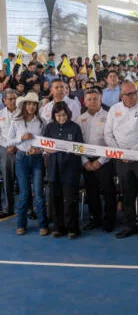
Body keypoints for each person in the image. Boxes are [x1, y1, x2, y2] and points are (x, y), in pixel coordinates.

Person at [104, 81, 138, 242]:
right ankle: (130, 226)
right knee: (126, 195)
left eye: (135, 92)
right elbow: (108, 134)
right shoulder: (114, 110)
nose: (133, 96)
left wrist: (132, 153)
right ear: (122, 95)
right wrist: (120, 153)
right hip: (121, 159)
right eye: (129, 94)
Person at [42, 102, 84, 239]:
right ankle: (58, 227)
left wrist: (75, 150)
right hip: (53, 167)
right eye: (58, 115)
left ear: (68, 114)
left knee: (71, 199)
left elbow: (80, 148)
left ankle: (72, 228)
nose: (61, 118)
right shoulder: (49, 127)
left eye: (64, 115)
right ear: (54, 115)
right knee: (55, 198)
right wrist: (49, 149)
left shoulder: (75, 127)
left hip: (71, 167)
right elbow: (44, 147)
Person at [9, 92, 48, 235]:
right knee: (24, 193)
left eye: (34, 104)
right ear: (24, 105)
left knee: (38, 193)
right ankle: (21, 224)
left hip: (37, 159)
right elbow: (9, 141)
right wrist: (21, 138)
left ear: (37, 106)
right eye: (29, 104)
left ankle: (43, 224)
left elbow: (46, 143)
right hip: (22, 157)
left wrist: (40, 151)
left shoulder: (42, 122)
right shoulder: (16, 120)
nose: (31, 106)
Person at [78, 88, 116, 233]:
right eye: (89, 99)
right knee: (91, 192)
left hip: (105, 160)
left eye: (95, 99)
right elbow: (77, 144)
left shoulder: (109, 116)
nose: (93, 101)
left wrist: (101, 161)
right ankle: (95, 219)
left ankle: (109, 221)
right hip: (87, 161)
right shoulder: (80, 119)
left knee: (108, 192)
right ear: (85, 102)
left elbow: (112, 142)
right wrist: (84, 161)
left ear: (101, 100)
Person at [0, 90, 19, 218]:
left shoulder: (23, 113)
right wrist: (8, 146)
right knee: (7, 180)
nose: (13, 101)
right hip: (5, 150)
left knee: (24, 180)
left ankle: (28, 209)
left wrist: (16, 146)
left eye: (14, 99)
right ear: (4, 101)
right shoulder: (0, 114)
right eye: (10, 99)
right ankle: (8, 208)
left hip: (21, 149)